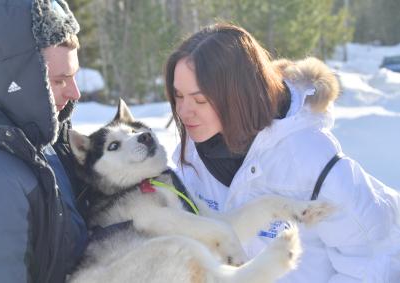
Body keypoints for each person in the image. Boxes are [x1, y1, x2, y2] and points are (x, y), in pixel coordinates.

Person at [165, 23, 400, 283]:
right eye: (178, 96)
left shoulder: (308, 158)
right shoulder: (191, 156)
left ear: (237, 95)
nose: (184, 112)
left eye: (199, 100)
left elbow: (373, 260)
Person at [0, 0, 88, 282]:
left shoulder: (41, 139)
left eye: (74, 76)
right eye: (60, 80)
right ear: (17, 82)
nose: (75, 93)